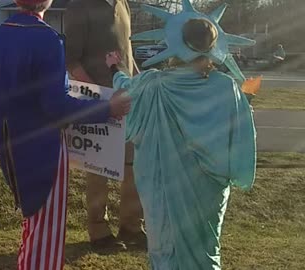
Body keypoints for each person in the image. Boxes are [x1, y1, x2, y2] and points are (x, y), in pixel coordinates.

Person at [0, 0, 131, 269]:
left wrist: (3, 142)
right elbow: (58, 107)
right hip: (44, 151)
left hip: (11, 147)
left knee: (33, 228)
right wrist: (107, 107)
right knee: (46, 240)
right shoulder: (48, 39)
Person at [105, 2, 257, 269]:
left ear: (174, 43)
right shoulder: (226, 89)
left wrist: (115, 69)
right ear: (213, 48)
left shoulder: (153, 86)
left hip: (162, 188)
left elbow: (126, 92)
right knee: (205, 249)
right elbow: (242, 136)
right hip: (208, 188)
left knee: (166, 249)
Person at [64, 0, 146, 251]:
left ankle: (132, 226)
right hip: (98, 107)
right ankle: (99, 231)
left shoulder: (123, 4)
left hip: (127, 104)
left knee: (133, 166)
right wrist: (99, 96)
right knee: (99, 170)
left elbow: (126, 54)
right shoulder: (80, 7)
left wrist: (139, 83)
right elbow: (71, 60)